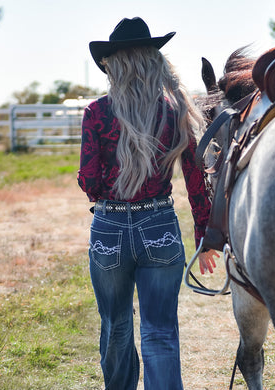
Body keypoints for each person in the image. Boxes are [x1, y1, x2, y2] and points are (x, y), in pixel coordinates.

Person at [78, 17, 218, 390]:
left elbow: (88, 182)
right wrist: (204, 236)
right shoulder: (174, 111)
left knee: (116, 327)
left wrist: (107, 192)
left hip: (109, 228)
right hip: (159, 225)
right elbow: (194, 180)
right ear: (152, 60)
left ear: (114, 63)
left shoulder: (96, 112)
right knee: (160, 332)